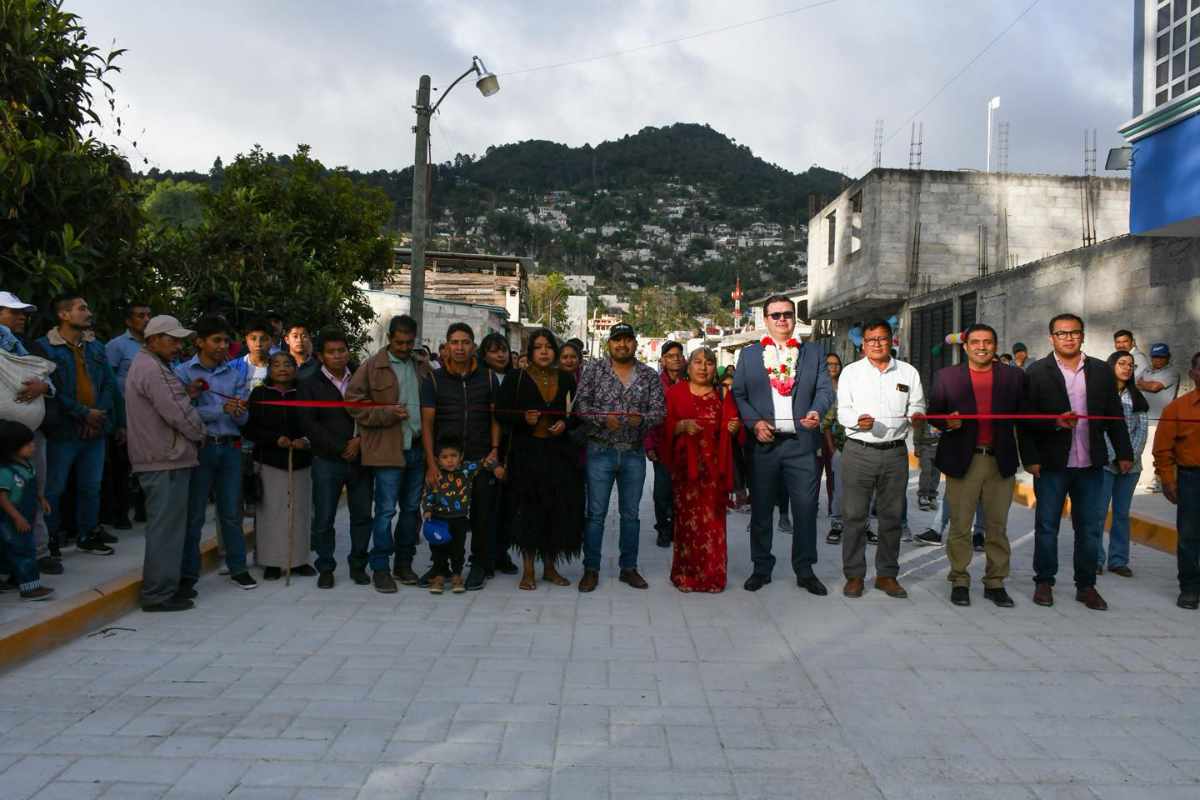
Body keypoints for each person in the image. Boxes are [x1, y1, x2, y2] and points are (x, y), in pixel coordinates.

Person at [1019, 313, 1132, 611]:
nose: (1068, 338)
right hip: (1051, 464)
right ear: (1051, 338)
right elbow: (1025, 420)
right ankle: (1044, 582)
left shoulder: (1101, 371)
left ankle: (1086, 586)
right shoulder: (1036, 372)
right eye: (1061, 333)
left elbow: (1114, 416)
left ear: (1083, 336)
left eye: (1074, 333)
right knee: (1047, 526)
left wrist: (1124, 453)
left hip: (1090, 464)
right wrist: (1030, 458)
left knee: (1090, 528)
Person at [733, 296, 834, 595]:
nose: (781, 319)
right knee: (762, 511)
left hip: (801, 445)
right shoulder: (750, 355)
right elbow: (739, 395)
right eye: (775, 315)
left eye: (787, 314)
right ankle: (761, 568)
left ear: (794, 318)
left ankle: (805, 570)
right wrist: (755, 423)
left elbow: (825, 390)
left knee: (805, 510)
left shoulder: (813, 352)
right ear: (765, 319)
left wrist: (816, 410)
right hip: (764, 446)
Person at [926, 324, 1026, 608]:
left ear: (995, 345)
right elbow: (934, 414)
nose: (982, 347)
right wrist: (947, 421)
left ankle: (995, 582)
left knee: (997, 526)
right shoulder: (947, 376)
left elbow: (1026, 417)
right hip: (963, 459)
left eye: (988, 342)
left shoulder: (1014, 377)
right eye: (976, 342)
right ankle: (959, 578)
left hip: (1000, 460)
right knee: (960, 524)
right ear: (966, 346)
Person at [835, 318, 924, 599]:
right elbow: (843, 410)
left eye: (882, 338)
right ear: (863, 344)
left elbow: (918, 404)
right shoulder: (851, 373)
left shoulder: (908, 372)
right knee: (854, 516)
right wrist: (856, 421)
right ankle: (854, 576)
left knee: (892, 517)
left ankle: (887, 575)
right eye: (871, 339)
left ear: (891, 340)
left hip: (895, 453)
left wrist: (917, 415)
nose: (877, 344)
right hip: (858, 451)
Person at [574, 322, 666, 592]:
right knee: (595, 514)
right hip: (599, 451)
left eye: (627, 339)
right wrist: (602, 419)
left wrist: (643, 420)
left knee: (631, 515)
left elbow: (660, 412)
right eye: (617, 340)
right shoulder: (594, 370)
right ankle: (591, 569)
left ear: (635, 344)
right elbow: (580, 406)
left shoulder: (649, 375)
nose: (622, 344)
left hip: (633, 453)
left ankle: (629, 568)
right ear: (609, 344)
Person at [125, 315, 206, 612]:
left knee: (167, 529)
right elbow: (178, 412)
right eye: (172, 340)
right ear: (154, 340)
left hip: (160, 458)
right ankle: (158, 593)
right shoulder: (153, 369)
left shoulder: (149, 365)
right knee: (166, 531)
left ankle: (164, 588)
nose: (178, 346)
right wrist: (201, 434)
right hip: (165, 460)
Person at [495, 329, 583, 590]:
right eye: (538, 347)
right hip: (526, 455)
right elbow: (500, 412)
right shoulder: (516, 377)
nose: (544, 351)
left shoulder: (565, 378)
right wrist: (523, 418)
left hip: (558, 455)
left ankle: (550, 568)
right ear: (530, 351)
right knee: (528, 512)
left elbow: (577, 414)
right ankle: (528, 570)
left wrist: (565, 424)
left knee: (555, 510)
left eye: (548, 347)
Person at [175, 315, 258, 592]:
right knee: (195, 515)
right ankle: (188, 574)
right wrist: (220, 409)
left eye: (226, 341)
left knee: (231, 513)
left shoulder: (235, 374)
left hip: (231, 448)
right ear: (200, 342)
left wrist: (238, 411)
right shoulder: (183, 373)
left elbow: (243, 419)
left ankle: (238, 568)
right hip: (201, 448)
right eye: (216, 340)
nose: (223, 346)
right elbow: (183, 413)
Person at [346, 314, 428, 593]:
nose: (404, 347)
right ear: (390, 338)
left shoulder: (422, 366)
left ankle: (404, 564)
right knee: (384, 511)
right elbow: (353, 404)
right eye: (399, 342)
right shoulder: (372, 366)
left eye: (409, 343)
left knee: (410, 511)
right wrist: (385, 413)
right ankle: (380, 567)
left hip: (417, 449)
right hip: (387, 450)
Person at [420, 321, 503, 590]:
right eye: (454, 342)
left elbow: (495, 418)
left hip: (479, 460)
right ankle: (441, 567)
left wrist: (494, 450)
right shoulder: (434, 379)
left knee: (481, 515)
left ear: (473, 347)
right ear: (446, 347)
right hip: (446, 463)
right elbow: (427, 424)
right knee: (443, 516)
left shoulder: (488, 378)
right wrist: (431, 463)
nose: (459, 348)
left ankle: (479, 564)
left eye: (465, 342)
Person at [39, 292, 119, 557]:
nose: (89, 313)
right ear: (63, 315)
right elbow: (51, 390)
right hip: (64, 430)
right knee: (54, 488)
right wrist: (83, 413)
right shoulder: (45, 347)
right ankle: (50, 540)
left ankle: (88, 534)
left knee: (91, 486)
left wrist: (99, 414)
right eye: (82, 308)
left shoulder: (95, 346)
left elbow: (108, 383)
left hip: (95, 429)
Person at [296, 329, 372, 589]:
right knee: (324, 518)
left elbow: (371, 413)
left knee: (362, 515)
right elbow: (309, 424)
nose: (338, 356)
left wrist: (359, 440)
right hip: (327, 460)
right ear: (320, 356)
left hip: (360, 458)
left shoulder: (362, 378)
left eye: (342, 350)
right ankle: (326, 567)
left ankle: (358, 565)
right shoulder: (309, 383)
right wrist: (341, 447)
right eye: (331, 352)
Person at [662, 347, 741, 593]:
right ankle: (684, 575)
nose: (703, 367)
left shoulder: (722, 395)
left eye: (709, 362)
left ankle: (713, 577)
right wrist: (681, 426)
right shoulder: (675, 393)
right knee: (686, 523)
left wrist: (733, 428)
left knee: (713, 523)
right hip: (685, 470)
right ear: (689, 366)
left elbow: (735, 427)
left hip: (714, 470)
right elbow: (663, 428)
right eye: (698, 362)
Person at [243, 352, 315, 580]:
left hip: (301, 460)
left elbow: (316, 421)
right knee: (270, 512)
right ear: (269, 369)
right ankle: (271, 562)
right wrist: (275, 439)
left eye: (287, 364)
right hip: (269, 460)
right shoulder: (259, 394)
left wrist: (306, 440)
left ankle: (299, 560)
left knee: (300, 511)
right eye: (276, 365)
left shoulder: (305, 392)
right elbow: (250, 428)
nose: (282, 369)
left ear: (295, 368)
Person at [0, 293, 57, 575]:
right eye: (14, 312)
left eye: (23, 312)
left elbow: (51, 381)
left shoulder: (30, 347)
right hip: (3, 438)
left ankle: (39, 552)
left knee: (33, 491)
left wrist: (43, 388)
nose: (21, 317)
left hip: (31, 437)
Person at [422, 436, 504, 594]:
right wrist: (427, 509)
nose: (450, 460)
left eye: (454, 456)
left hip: (459, 520)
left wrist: (495, 466)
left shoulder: (465, 471)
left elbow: (482, 463)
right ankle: (439, 576)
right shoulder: (436, 474)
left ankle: (456, 575)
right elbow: (428, 494)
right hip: (439, 520)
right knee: (438, 549)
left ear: (461, 457)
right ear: (437, 460)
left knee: (457, 550)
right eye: (445, 457)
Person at [1152, 350, 1200, 609]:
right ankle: (1190, 588)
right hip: (1192, 479)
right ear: (1193, 373)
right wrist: (1168, 480)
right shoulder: (1177, 409)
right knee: (1190, 536)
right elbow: (1162, 449)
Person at [1095, 350, 1149, 578]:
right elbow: (1099, 430)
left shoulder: (1137, 397)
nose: (1127, 368)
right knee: (1098, 513)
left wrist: (1130, 457)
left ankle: (1118, 560)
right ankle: (1096, 558)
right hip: (1106, 464)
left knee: (1121, 514)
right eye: (1122, 363)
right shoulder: (1100, 396)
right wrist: (1116, 456)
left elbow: (1141, 431)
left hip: (1131, 468)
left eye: (1131, 365)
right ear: (1111, 366)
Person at [102, 301, 151, 531]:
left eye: (148, 315)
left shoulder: (155, 344)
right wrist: (117, 420)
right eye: (140, 315)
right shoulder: (116, 346)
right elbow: (108, 382)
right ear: (128, 321)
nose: (146, 319)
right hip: (125, 413)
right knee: (121, 466)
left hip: (150, 415)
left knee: (148, 464)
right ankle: (120, 513)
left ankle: (143, 508)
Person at [479, 332, 520, 576]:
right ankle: (483, 556)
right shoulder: (480, 378)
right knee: (486, 506)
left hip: (512, 447)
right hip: (486, 447)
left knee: (507, 506)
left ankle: (502, 553)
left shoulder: (517, 378)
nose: (501, 355)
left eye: (503, 350)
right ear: (484, 355)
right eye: (494, 351)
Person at [0, 421, 53, 600]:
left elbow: (32, 486)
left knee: (14, 550)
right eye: (27, 444)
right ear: (11, 448)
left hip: (27, 516)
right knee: (24, 551)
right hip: (13, 519)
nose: (33, 446)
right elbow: (2, 498)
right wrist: (16, 517)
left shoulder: (27, 465)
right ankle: (30, 588)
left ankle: (12, 578)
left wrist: (41, 498)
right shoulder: (6, 472)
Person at [645, 340, 685, 549]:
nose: (675, 359)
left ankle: (679, 528)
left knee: (682, 491)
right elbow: (648, 414)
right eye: (670, 356)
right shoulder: (655, 383)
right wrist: (649, 445)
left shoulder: (690, 381)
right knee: (662, 491)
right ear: (662, 360)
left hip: (686, 444)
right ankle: (663, 528)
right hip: (662, 445)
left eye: (678, 355)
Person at [1137, 343, 1181, 493]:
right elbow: (1136, 383)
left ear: (1168, 357)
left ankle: (1155, 481)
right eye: (1155, 357)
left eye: (1161, 357)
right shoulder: (1146, 370)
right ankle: (1146, 480)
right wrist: (1144, 384)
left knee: (1156, 451)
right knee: (1144, 450)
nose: (1158, 360)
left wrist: (1143, 384)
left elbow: (1154, 387)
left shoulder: (1172, 372)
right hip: (1144, 418)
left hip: (1160, 419)